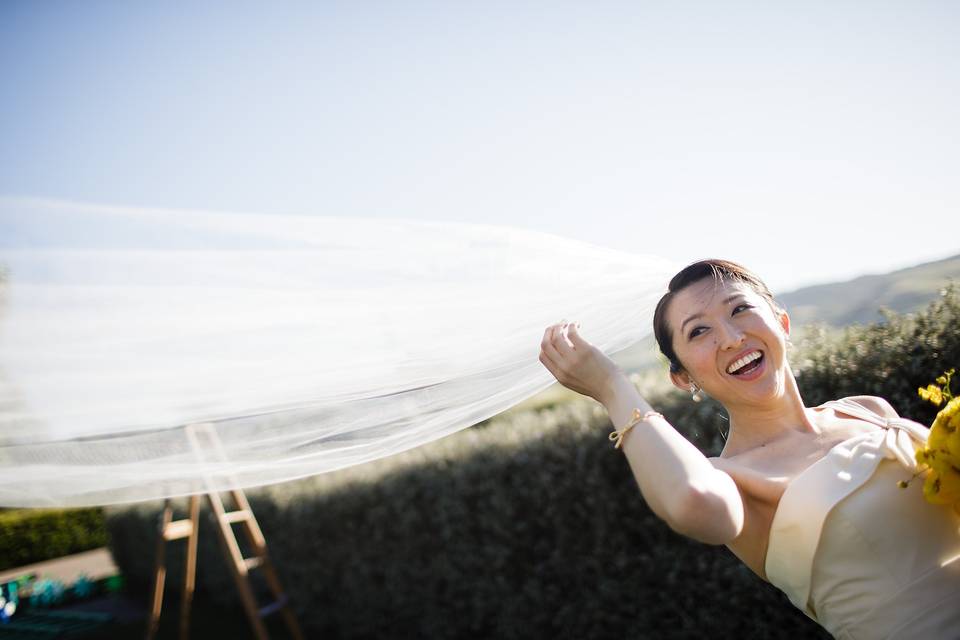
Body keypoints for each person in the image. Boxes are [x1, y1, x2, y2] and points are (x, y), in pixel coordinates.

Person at [538, 258, 960, 639]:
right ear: (684, 379)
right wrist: (613, 389)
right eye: (699, 331)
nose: (731, 337)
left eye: (740, 309)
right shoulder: (727, 478)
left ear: (783, 323)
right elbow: (692, 502)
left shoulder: (866, 409)